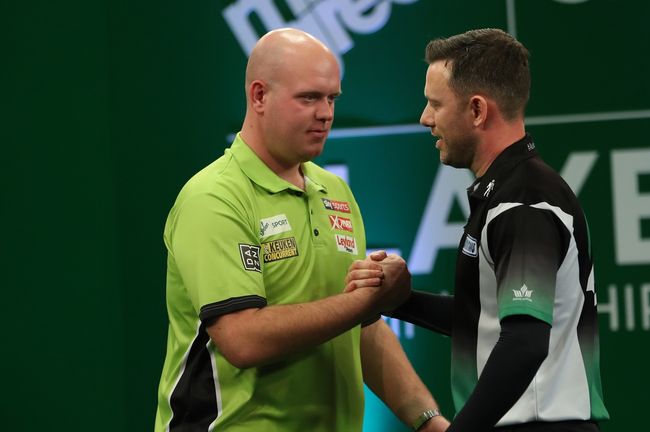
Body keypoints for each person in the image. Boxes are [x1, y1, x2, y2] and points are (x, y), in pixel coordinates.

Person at [154, 28, 449, 432]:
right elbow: (243, 338)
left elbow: (360, 329)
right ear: (259, 96)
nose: (325, 113)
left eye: (331, 98)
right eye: (309, 97)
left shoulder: (336, 191)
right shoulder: (214, 197)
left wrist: (429, 422)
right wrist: (368, 301)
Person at [349, 28, 609, 431]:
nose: (425, 118)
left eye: (435, 104)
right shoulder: (509, 193)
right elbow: (488, 318)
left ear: (476, 110)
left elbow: (523, 343)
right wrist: (397, 300)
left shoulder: (522, 203)